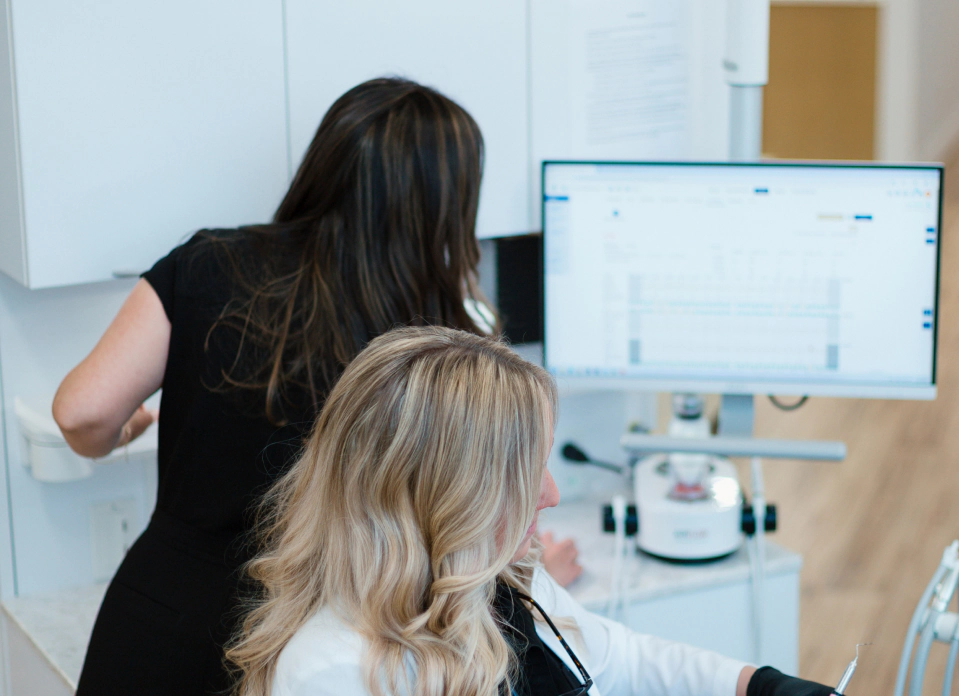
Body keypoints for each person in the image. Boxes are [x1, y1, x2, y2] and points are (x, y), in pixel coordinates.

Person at [52, 78, 579, 696]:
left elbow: (83, 413)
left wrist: (121, 431)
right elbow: (467, 525)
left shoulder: (210, 262)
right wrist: (538, 586)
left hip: (159, 615)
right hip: (309, 637)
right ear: (449, 202)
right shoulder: (435, 348)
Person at [227, 326, 843, 696]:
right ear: (452, 496)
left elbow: (621, 660)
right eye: (527, 475)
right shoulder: (333, 673)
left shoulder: (494, 579)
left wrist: (759, 685)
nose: (550, 494)